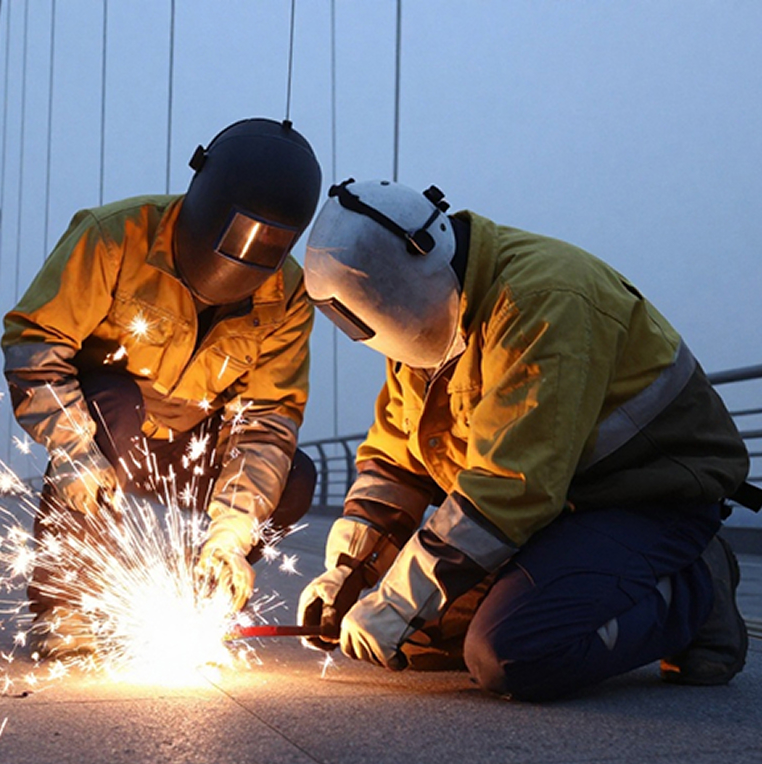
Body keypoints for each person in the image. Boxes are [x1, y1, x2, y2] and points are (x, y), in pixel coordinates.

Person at [297, 177, 756, 701]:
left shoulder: (542, 301)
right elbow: (396, 461)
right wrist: (348, 575)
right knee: (414, 639)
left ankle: (695, 589)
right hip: (559, 510)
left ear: (412, 273)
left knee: (510, 653)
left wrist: (398, 600)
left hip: (651, 500)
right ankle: (586, 586)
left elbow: (512, 484)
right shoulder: (424, 317)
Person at [2, 118, 322, 656]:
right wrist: (75, 451)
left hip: (194, 447)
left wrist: (234, 531)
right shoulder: (113, 237)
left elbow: (269, 418)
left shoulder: (287, 292)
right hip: (107, 435)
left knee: (294, 477)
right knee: (115, 405)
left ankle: (196, 594)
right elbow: (36, 344)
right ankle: (66, 605)